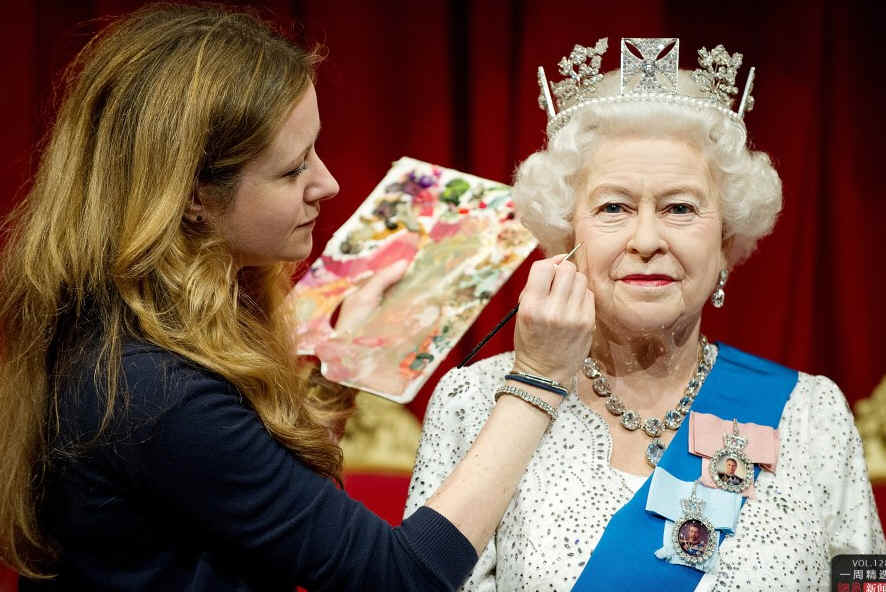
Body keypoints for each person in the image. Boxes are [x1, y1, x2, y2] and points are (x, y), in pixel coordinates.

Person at [0, 5, 594, 591]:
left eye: (314, 150)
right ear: (192, 196)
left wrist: (341, 371)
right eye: (291, 170)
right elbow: (401, 578)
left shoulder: (120, 334)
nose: (327, 184)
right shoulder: (149, 388)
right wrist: (537, 380)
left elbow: (251, 493)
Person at [405, 37, 886, 590]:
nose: (647, 240)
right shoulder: (473, 404)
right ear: (566, 236)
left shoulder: (813, 414)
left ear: (727, 240)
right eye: (614, 207)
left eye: (680, 208)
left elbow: (866, 581)